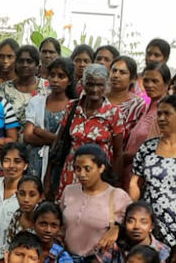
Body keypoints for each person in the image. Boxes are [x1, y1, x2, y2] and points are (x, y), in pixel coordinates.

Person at [128, 95, 176, 248]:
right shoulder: (147, 148)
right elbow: (135, 183)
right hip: (150, 223)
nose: (161, 118)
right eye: (159, 114)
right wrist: (135, 215)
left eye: (167, 114)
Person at [47, 64, 125, 198]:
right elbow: (58, 142)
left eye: (99, 85)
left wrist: (114, 184)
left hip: (99, 176)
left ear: (106, 86)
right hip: (72, 172)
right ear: (83, 84)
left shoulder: (113, 113)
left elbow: (118, 154)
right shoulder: (72, 107)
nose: (94, 89)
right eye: (90, 84)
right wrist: (48, 178)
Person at [60, 144, 132, 263]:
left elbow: (131, 228)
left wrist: (117, 229)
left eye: (87, 169)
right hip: (68, 261)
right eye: (77, 169)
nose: (81, 174)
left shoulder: (118, 196)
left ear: (101, 168)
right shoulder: (69, 191)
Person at [23, 57, 75, 177]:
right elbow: (28, 136)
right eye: (52, 75)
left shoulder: (74, 106)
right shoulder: (36, 101)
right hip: (35, 160)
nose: (55, 80)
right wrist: (57, 140)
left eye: (61, 76)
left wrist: (41, 132)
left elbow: (69, 142)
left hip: (60, 161)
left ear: (69, 81)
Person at [106, 56, 148, 176]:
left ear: (133, 78)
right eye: (114, 71)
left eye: (122, 72)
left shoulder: (138, 105)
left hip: (122, 163)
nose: (116, 75)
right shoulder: (99, 99)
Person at [0, 45, 46, 126]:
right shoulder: (5, 88)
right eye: (21, 61)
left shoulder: (47, 87)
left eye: (29, 61)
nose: (24, 65)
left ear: (37, 65)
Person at [4, 175, 43, 249]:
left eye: (32, 195)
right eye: (22, 194)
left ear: (40, 198)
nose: (26, 199)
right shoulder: (17, 214)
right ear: (16, 195)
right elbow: (8, 244)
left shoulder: (43, 219)